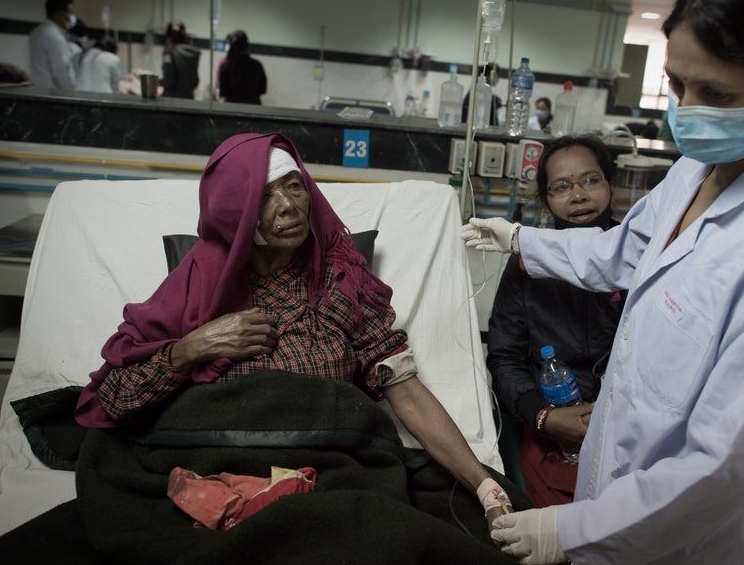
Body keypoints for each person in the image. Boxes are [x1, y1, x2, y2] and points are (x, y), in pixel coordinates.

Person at [465, 0, 744, 564]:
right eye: (677, 83)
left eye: (715, 92)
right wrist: (520, 239)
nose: (686, 107)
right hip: (614, 492)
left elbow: (723, 467)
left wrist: (571, 530)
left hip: (690, 540)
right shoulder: (695, 172)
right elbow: (618, 253)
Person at [74, 132, 514, 530]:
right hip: (212, 469)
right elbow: (114, 398)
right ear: (236, 213)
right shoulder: (199, 284)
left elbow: (405, 389)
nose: (288, 204)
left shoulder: (340, 281)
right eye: (264, 196)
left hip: (326, 471)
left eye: (293, 185)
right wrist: (191, 349)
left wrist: (484, 488)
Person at [487, 135, 623, 508]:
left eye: (591, 180)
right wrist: (545, 416)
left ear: (610, 184)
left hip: (628, 424)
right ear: (546, 201)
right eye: (561, 187)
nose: (577, 195)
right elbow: (505, 356)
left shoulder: (640, 258)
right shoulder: (524, 267)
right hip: (551, 423)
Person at [28, 0, 80, 90]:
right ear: (60, 13)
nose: (72, 17)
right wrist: (73, 92)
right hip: (54, 92)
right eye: (70, 13)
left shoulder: (38, 31)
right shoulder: (54, 36)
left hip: (39, 88)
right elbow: (62, 71)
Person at [218, 30, 267, 104]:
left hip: (232, 108)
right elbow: (263, 89)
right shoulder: (257, 65)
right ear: (246, 46)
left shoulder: (225, 67)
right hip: (253, 107)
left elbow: (222, 93)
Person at [161, 21, 200, 98]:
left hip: (172, 101)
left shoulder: (170, 54)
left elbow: (169, 83)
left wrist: (158, 83)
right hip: (188, 100)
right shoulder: (192, 54)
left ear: (169, 39)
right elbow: (195, 82)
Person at [461, 62, 503, 127]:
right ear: (490, 75)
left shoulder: (476, 90)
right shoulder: (478, 92)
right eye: (497, 76)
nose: (498, 79)